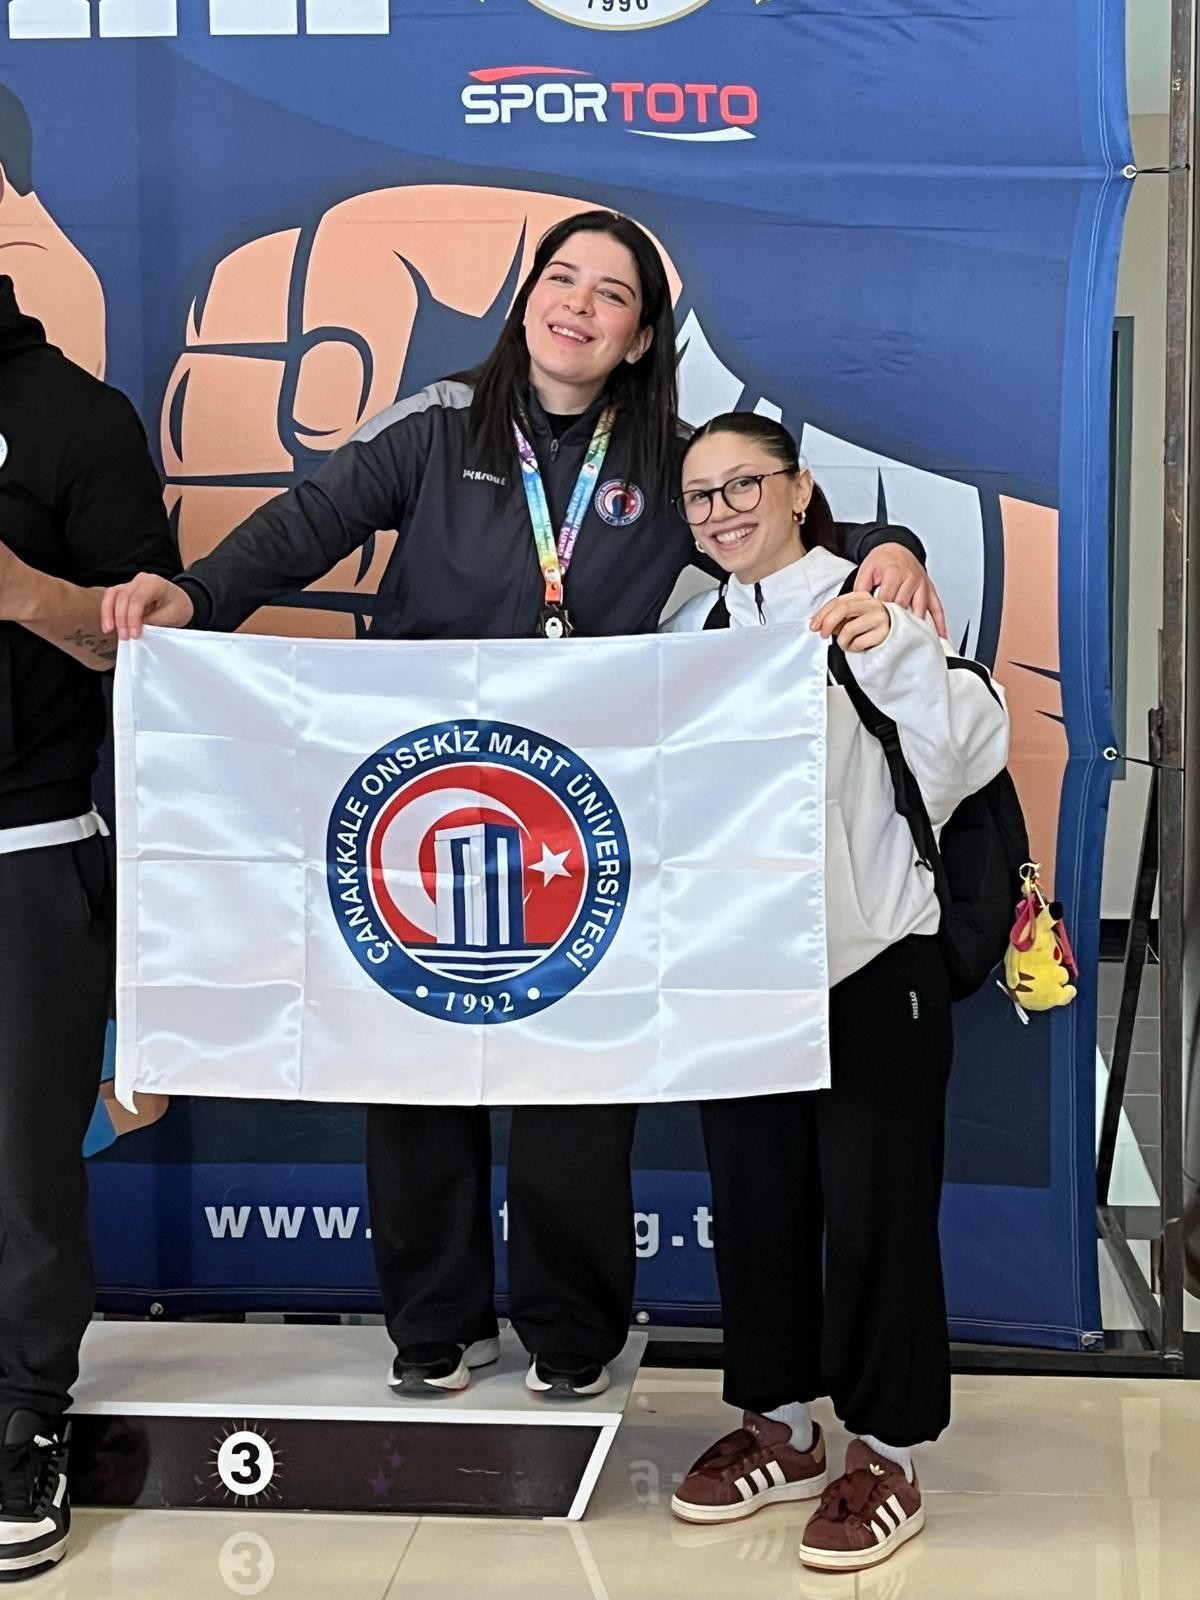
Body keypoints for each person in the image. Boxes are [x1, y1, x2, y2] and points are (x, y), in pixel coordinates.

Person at [103, 209, 942, 1405]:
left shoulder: (671, 455)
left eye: (612, 294)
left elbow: (777, 521)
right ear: (527, 297)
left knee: (576, 1073)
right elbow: (311, 520)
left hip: (583, 812)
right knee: (407, 1055)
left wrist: (892, 545)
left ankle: (572, 1326)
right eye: (562, 279)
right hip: (416, 792)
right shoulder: (441, 420)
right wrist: (194, 597)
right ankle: (434, 1324)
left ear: (641, 337)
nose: (578, 305)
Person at [662, 413, 1009, 1573]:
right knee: (755, 1204)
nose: (723, 510)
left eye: (743, 484)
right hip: (738, 972)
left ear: (800, 487)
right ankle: (780, 1425)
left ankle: (886, 1453)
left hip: (874, 966)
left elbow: (971, 752)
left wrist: (893, 651)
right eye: (701, 494)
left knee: (878, 1214)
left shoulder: (870, 603)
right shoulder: (685, 630)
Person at [0, 273, 177, 1582]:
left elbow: (151, 655)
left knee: (21, 1173)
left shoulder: (70, 416)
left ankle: (22, 1421)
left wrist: (21, 591)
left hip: (25, 841)